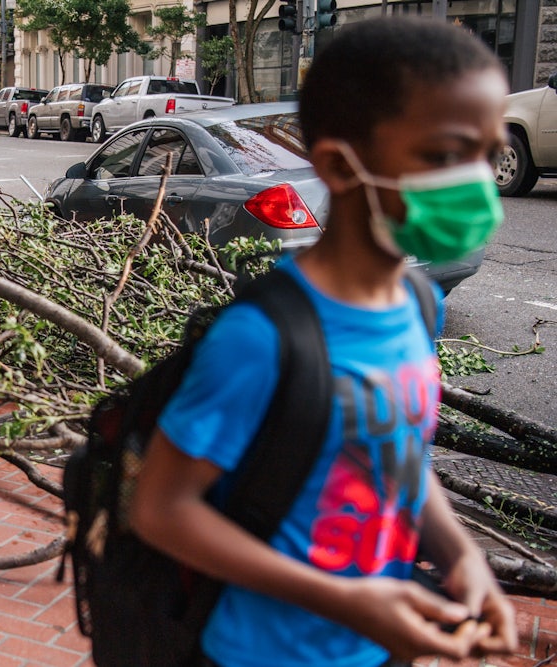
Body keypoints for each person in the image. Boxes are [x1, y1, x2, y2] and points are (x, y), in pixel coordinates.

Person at [129, 16, 518, 667]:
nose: (477, 180)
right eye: (447, 155)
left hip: (378, 646)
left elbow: (399, 459)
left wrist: (463, 558)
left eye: (490, 150)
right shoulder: (261, 337)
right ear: (340, 164)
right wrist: (346, 601)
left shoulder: (421, 305)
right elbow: (161, 509)